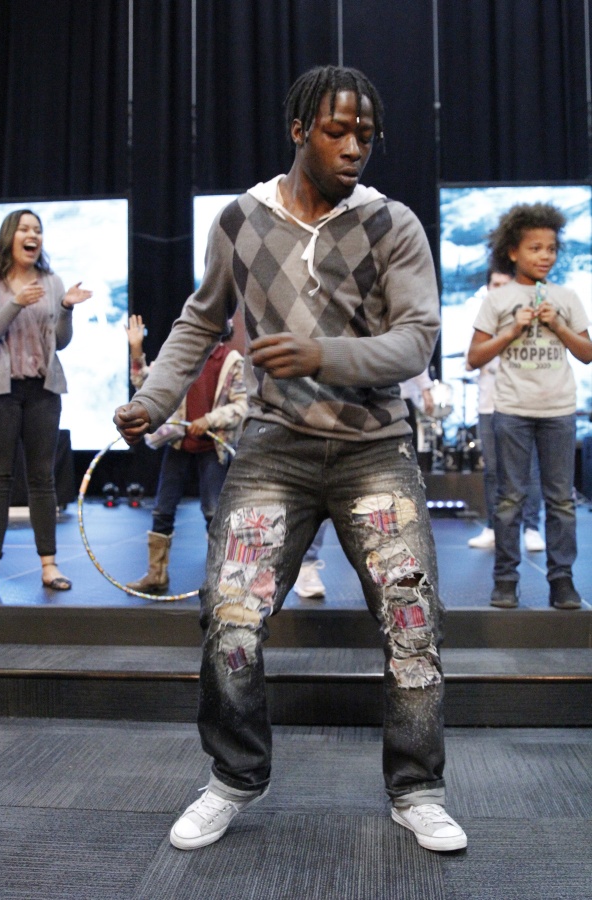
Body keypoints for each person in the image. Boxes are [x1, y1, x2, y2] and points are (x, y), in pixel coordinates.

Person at [114, 65, 467, 853]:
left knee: (411, 621)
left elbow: (417, 339)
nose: (354, 148)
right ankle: (234, 776)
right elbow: (200, 320)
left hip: (375, 447)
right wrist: (155, 399)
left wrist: (321, 354)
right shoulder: (240, 220)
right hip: (274, 447)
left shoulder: (393, 224)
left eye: (366, 135)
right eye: (337, 132)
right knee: (230, 618)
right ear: (299, 129)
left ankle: (417, 788)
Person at [467, 203, 592, 609]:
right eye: (535, 248)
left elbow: (587, 353)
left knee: (561, 500)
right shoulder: (498, 299)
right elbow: (474, 357)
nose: (545, 256)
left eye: (551, 248)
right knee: (509, 499)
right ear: (512, 252)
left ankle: (562, 581)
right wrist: (512, 330)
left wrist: (558, 325)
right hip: (512, 410)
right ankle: (505, 580)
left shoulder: (567, 297)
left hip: (558, 410)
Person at [0, 209, 91, 594]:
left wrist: (66, 309)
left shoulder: (52, 282)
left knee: (42, 478)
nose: (33, 235)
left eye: (38, 230)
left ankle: (49, 565)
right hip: (1, 393)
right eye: (25, 229)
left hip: (44, 391)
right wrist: (15, 302)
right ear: (10, 236)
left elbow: (61, 342)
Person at [125, 314, 247, 594]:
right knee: (162, 508)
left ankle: (221, 577)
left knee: (214, 512)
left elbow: (242, 406)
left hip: (212, 447)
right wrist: (136, 349)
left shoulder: (231, 361)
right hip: (179, 443)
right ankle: (156, 575)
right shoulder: (179, 357)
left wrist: (210, 419)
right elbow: (145, 385)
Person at [294, 368, 434, 602]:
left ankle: (386, 574)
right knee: (320, 487)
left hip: (388, 406)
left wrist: (425, 387)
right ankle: (307, 564)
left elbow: (410, 349)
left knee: (389, 504)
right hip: (326, 402)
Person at [466, 269, 546, 552]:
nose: (498, 288)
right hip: (489, 404)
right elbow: (470, 361)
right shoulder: (481, 320)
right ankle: (493, 527)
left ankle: (532, 528)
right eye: (494, 284)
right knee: (492, 470)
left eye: (504, 284)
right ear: (487, 287)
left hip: (523, 403)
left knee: (530, 469)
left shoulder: (529, 318)